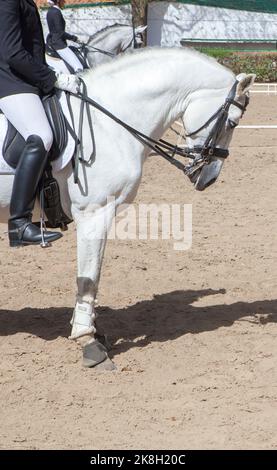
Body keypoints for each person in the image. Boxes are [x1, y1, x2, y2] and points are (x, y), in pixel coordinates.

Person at [0, 0, 80, 248]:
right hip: (10, 82)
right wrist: (52, 78)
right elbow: (12, 53)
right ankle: (20, 224)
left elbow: (33, 50)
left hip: (27, 80)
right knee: (41, 135)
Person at [46, 0, 84, 73]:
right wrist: (74, 38)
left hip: (54, 41)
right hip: (59, 44)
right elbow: (60, 32)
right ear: (58, 1)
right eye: (63, 0)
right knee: (79, 67)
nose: (65, 2)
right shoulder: (56, 12)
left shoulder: (50, 11)